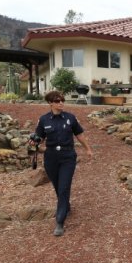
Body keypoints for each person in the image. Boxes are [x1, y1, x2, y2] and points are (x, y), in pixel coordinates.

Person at [30, 91, 93, 236]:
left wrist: (88, 149)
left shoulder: (70, 118)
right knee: (58, 186)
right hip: (51, 157)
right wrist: (35, 140)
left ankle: (60, 221)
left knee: (64, 187)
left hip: (68, 156)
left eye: (62, 101)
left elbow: (80, 135)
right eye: (57, 101)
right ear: (50, 103)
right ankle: (66, 206)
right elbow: (39, 137)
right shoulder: (44, 120)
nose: (61, 103)